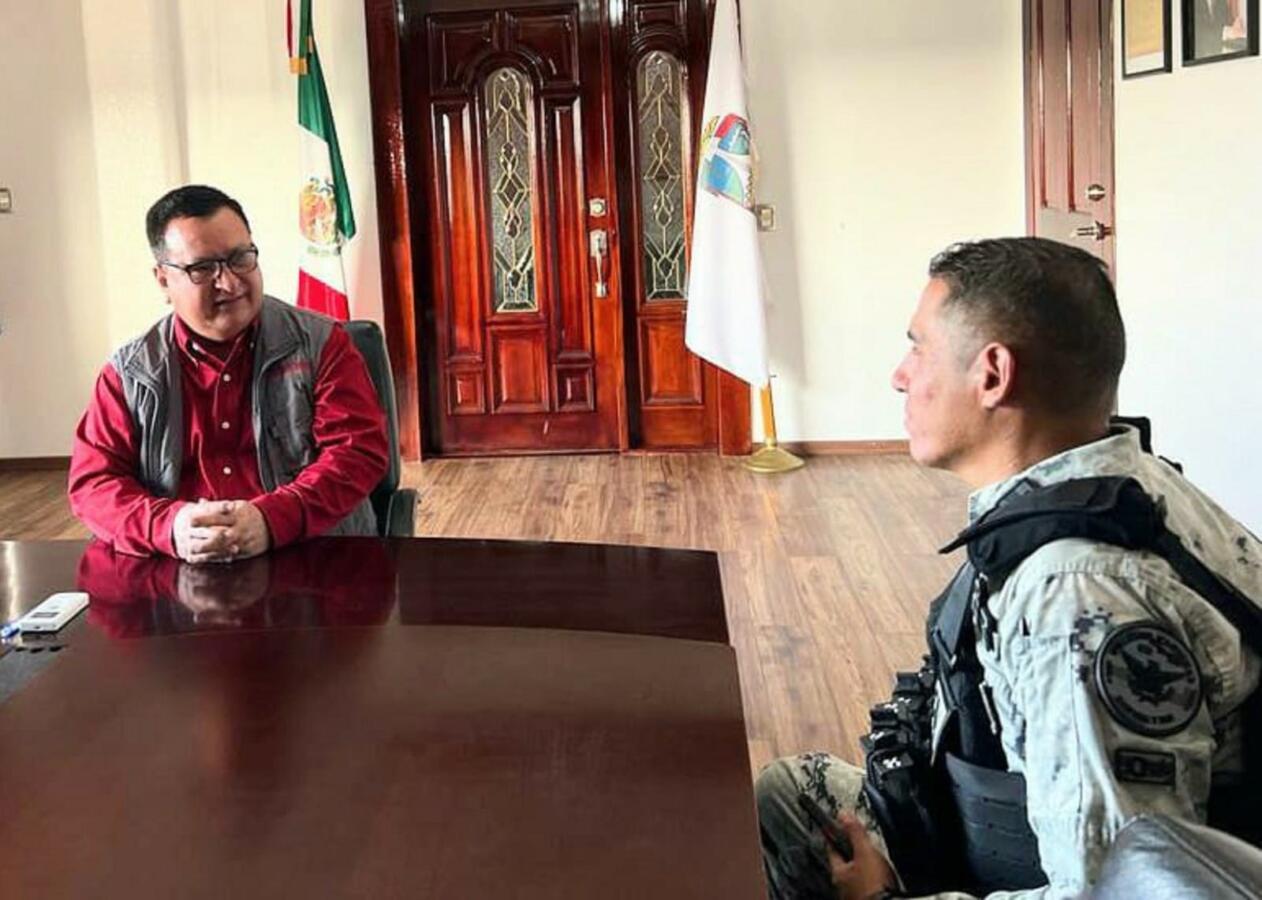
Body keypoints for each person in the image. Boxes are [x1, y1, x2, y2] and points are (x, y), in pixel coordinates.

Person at [756, 238, 1262, 899]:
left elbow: (1113, 890)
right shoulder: (1131, 483)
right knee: (786, 795)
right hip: (996, 815)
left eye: (918, 348)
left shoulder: (1076, 597)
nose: (900, 376)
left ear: (992, 374)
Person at [69, 185, 389, 563]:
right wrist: (169, 527)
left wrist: (272, 519)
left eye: (240, 258)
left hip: (313, 560)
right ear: (163, 280)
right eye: (203, 268)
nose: (231, 282)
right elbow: (94, 484)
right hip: (180, 568)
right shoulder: (130, 374)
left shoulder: (322, 344)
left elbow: (357, 453)